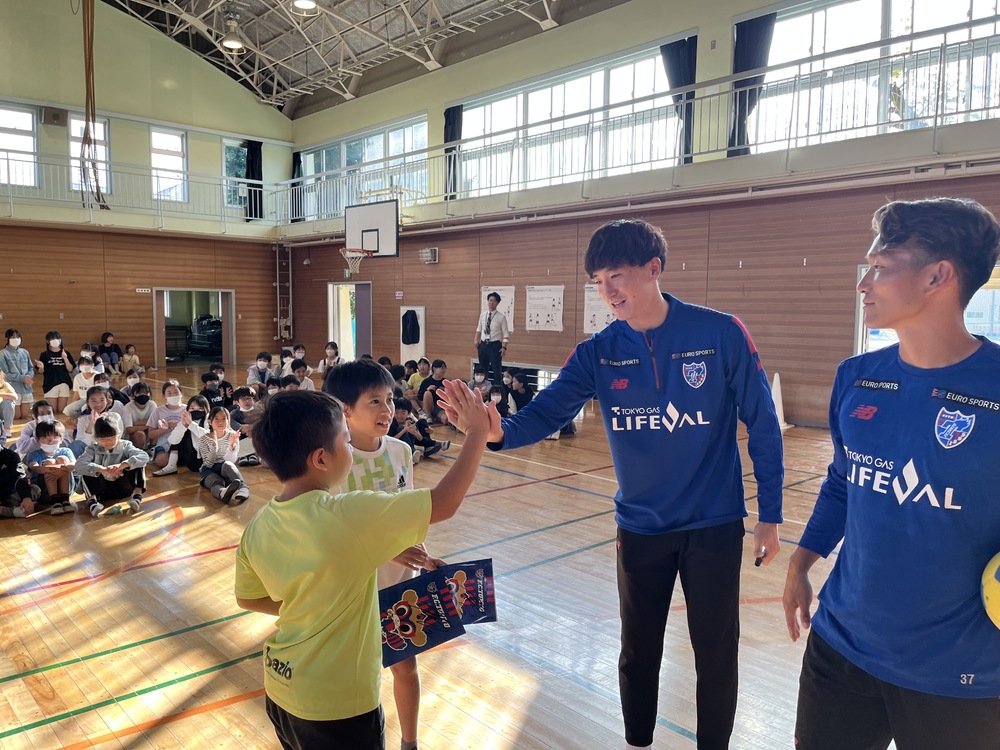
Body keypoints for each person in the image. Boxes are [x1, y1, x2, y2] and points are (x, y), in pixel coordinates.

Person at [465, 219, 784, 750]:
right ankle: (638, 742)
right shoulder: (598, 351)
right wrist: (497, 432)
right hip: (640, 528)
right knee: (638, 652)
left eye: (616, 275)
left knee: (716, 652)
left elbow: (764, 424)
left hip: (714, 525)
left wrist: (770, 515)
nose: (607, 291)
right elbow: (546, 413)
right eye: (598, 281)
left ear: (653, 268)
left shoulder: (721, 333)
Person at [782, 198, 1000, 750]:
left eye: (879, 267)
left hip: (960, 673)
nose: (864, 284)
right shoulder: (856, 376)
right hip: (841, 646)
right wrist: (802, 561)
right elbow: (842, 481)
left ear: (937, 276)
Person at [233, 382, 489, 750]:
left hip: (281, 688)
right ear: (321, 459)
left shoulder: (259, 523)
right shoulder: (348, 512)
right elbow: (444, 502)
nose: (351, 448)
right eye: (345, 440)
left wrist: (314, 607)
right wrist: (477, 432)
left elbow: (248, 598)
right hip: (339, 706)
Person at [326, 359, 450, 749]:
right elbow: (332, 532)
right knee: (357, 677)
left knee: (405, 667)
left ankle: (409, 743)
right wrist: (385, 550)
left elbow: (407, 513)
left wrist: (425, 557)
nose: (387, 410)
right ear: (345, 409)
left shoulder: (400, 450)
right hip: (353, 589)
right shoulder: (331, 460)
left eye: (390, 400)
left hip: (399, 586)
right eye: (375, 401)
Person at [76, 414, 149, 516]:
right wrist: (102, 469)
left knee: (138, 463)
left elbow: (144, 456)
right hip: (102, 491)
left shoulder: (125, 445)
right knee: (88, 469)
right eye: (103, 439)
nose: (108, 442)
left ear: (118, 435)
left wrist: (122, 465)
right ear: (97, 438)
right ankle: (93, 503)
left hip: (124, 487)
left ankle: (137, 497)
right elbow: (79, 465)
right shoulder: (92, 449)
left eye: (111, 438)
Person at [198, 407, 250, 505]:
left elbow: (232, 460)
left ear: (228, 420)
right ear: (209, 421)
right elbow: (208, 464)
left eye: (224, 418)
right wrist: (214, 448)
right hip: (209, 469)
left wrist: (231, 446)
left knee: (228, 465)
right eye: (216, 419)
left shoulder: (232, 435)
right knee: (214, 481)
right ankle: (222, 493)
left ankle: (243, 488)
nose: (220, 422)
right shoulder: (203, 439)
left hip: (224, 467)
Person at [25, 419, 75, 514]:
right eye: (45, 437)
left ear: (62, 438)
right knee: (49, 462)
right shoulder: (33, 454)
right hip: (43, 492)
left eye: (55, 437)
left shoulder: (66, 451)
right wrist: (52, 469)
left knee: (63, 459)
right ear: (38, 439)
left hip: (66, 490)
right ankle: (54, 501)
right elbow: (34, 467)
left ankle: (65, 500)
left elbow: (74, 465)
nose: (50, 440)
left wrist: (61, 469)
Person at [474, 291, 510, 386]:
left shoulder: (501, 317)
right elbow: (479, 329)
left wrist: (504, 347)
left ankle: (497, 389)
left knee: (496, 369)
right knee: (482, 369)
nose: (491, 302)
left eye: (494, 301)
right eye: (490, 300)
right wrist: (476, 340)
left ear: (497, 303)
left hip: (495, 345)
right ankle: (483, 388)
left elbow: (506, 334)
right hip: (483, 344)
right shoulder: (483, 315)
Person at [35, 331, 75, 415]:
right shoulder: (44, 355)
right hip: (50, 384)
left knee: (61, 411)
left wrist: (65, 358)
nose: (55, 340)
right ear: (48, 341)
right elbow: (41, 371)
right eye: (52, 339)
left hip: (64, 383)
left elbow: (70, 369)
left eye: (57, 338)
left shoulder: (66, 353)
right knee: (52, 411)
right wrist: (41, 367)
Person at [0, 328, 34, 424]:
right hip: (13, 387)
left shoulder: (25, 352)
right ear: (7, 339)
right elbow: (5, 374)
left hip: (26, 387)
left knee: (24, 415)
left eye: (18, 337)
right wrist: (23, 378)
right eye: (13, 337)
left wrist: (29, 377)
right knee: (16, 416)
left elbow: (31, 368)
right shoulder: (2, 354)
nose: (16, 339)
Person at [0, 444, 37, 518]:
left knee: (36, 489)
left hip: (10, 494)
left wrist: (26, 497)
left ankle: (13, 505)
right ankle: (11, 512)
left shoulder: (10, 455)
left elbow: (19, 477)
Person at [122, 382, 157, 451]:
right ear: (133, 395)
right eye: (140, 393)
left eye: (146, 393)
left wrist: (136, 424)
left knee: (156, 430)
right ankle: (138, 451)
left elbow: (156, 422)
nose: (143, 395)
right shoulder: (128, 407)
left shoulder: (152, 404)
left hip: (148, 434)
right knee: (139, 434)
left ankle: (152, 448)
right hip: (133, 437)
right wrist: (148, 425)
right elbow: (129, 429)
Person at [417, 359, 450, 426]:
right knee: (427, 393)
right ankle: (428, 416)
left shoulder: (446, 382)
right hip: (430, 406)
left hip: (442, 407)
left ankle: (437, 418)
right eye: (442, 368)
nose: (444, 370)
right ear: (434, 369)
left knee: (446, 419)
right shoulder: (427, 381)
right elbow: (419, 396)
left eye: (445, 368)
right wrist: (427, 389)